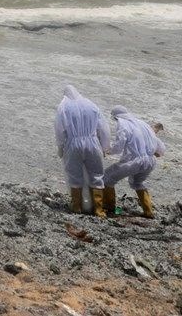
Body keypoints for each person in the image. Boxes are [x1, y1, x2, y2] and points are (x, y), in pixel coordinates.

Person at [55, 85, 111, 217]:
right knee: (97, 175)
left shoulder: (63, 107)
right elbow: (104, 128)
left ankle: (77, 207)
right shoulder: (91, 104)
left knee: (74, 176)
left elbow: (59, 129)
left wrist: (60, 147)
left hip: (73, 143)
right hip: (92, 143)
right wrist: (104, 147)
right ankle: (98, 209)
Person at [105, 106, 165, 218]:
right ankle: (148, 211)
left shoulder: (122, 123)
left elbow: (119, 146)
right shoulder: (143, 124)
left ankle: (110, 207)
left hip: (134, 161)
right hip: (150, 161)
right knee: (137, 183)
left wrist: (108, 151)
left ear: (116, 117)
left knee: (107, 178)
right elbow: (160, 149)